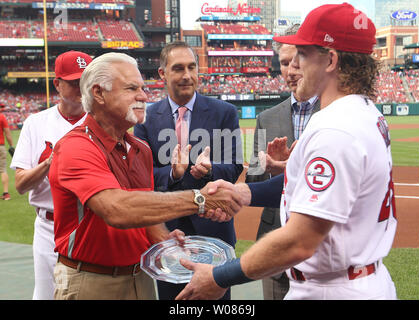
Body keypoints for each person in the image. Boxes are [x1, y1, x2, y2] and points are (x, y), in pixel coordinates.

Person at [176, 3, 398, 300]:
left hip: (334, 289)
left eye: (303, 55)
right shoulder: (363, 112)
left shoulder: (336, 129)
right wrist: (245, 193)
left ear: (331, 60)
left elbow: (300, 241)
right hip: (353, 278)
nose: (295, 67)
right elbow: (310, 185)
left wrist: (220, 276)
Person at [48, 52, 241, 300]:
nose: (143, 96)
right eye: (131, 88)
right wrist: (199, 199)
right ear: (98, 93)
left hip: (141, 277)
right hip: (91, 280)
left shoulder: (140, 149)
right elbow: (117, 209)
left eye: (142, 87)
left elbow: (142, 209)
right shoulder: (76, 146)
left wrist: (163, 238)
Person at [134, 41, 243, 300]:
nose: (187, 75)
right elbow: (141, 175)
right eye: (178, 68)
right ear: (163, 73)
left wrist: (207, 170)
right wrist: (174, 173)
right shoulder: (145, 118)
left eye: (192, 67)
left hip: (214, 232)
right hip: (169, 237)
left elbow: (234, 166)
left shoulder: (224, 112)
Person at [245, 23, 319, 300]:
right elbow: (252, 179)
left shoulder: (336, 111)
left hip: (320, 248)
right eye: (284, 63)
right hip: (275, 248)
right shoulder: (267, 118)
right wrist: (266, 167)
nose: (290, 70)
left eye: (297, 61)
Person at [10, 50, 93, 299]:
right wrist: (49, 163)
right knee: (47, 294)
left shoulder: (102, 122)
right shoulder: (36, 123)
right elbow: (21, 185)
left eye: (86, 81)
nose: (81, 87)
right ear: (57, 84)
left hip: (90, 224)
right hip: (49, 225)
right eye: (74, 81)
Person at [0, 107, 13, 200]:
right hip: (0, 146)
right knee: (3, 170)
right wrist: (11, 145)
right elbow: (7, 133)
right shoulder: (1, 117)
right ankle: (6, 193)